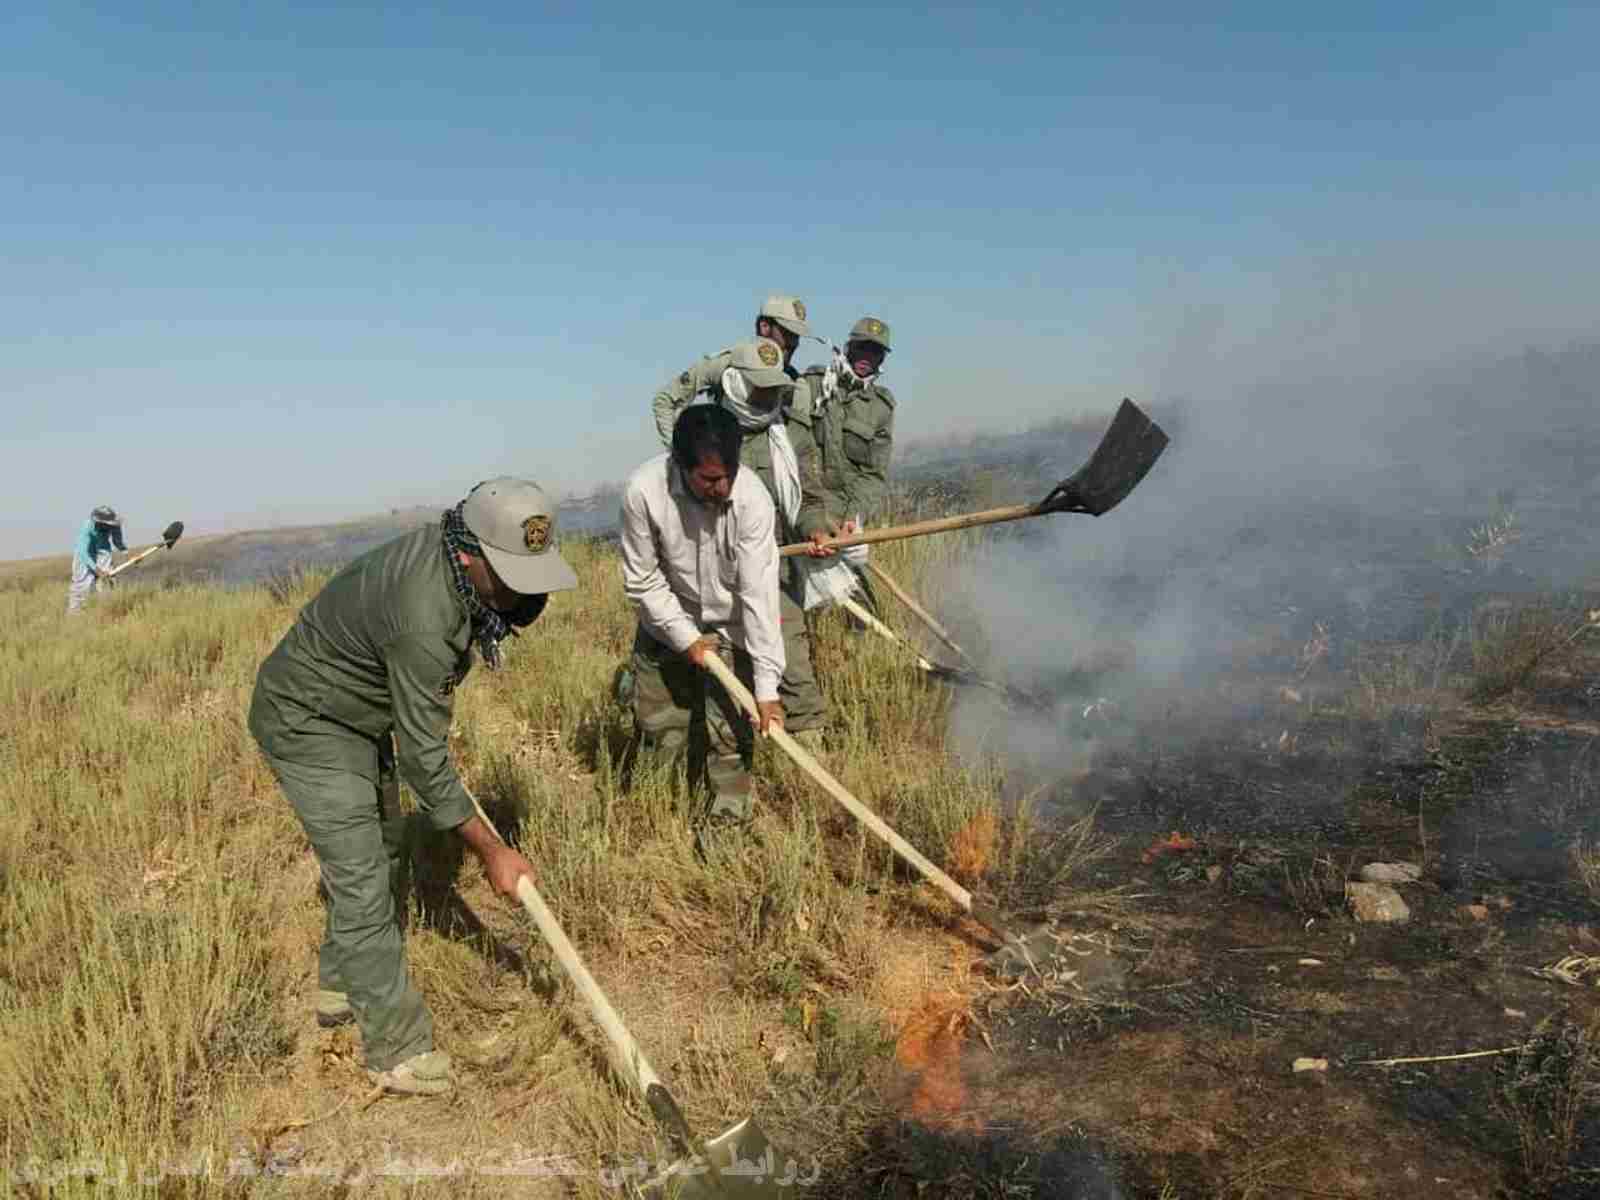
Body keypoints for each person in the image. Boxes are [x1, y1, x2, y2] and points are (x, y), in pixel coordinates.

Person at [247, 477, 577, 1095]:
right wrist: (491, 851)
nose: (518, 597)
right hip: (309, 719)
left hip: (356, 712)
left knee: (388, 846)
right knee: (364, 872)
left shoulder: (453, 567)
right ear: (469, 553)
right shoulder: (425, 614)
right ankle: (395, 1050)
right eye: (507, 578)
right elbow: (425, 760)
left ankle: (341, 982)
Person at [620, 405, 785, 831]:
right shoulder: (644, 492)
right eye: (710, 478)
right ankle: (654, 820)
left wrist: (766, 687)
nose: (723, 486)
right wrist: (686, 638)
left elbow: (759, 598)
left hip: (730, 626)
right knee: (661, 732)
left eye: (729, 472)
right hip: (665, 621)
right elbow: (642, 580)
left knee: (729, 737)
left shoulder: (752, 499)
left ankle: (725, 832)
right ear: (680, 465)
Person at [798, 316, 898, 613]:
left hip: (845, 523)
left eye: (876, 352)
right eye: (862, 349)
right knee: (807, 608)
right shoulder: (814, 384)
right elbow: (795, 452)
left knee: (865, 613)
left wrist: (852, 522)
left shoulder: (882, 406)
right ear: (848, 347)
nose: (867, 358)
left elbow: (873, 475)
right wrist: (813, 522)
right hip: (806, 515)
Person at [650, 294, 812, 448]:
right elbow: (665, 401)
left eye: (797, 336)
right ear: (764, 327)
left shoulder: (797, 386)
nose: (794, 342)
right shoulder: (726, 365)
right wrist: (678, 454)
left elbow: (798, 444)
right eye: (787, 333)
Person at [66, 505, 127, 614]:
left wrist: (127, 553)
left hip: (103, 551)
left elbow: (118, 542)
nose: (106, 527)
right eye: (103, 524)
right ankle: (75, 614)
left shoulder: (115, 525)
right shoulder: (88, 526)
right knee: (82, 586)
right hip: (85, 555)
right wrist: (97, 570)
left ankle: (107, 610)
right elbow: (82, 552)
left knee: (109, 580)